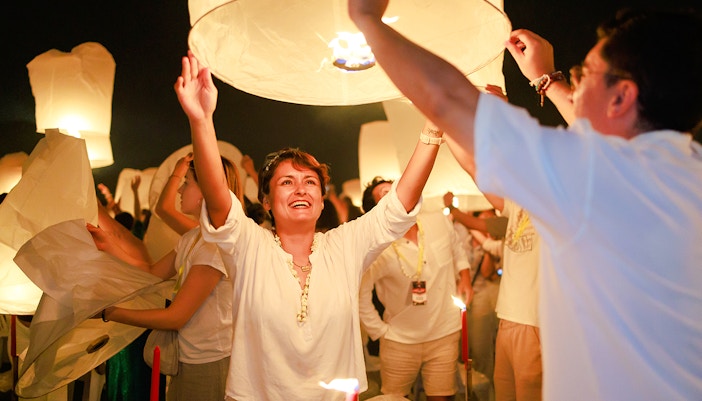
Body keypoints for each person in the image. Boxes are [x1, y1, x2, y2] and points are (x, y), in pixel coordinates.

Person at [348, 3, 702, 400]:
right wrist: (547, 79)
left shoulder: (591, 179)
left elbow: (448, 99)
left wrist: (367, 20)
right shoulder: (685, 175)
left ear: (621, 97)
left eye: (585, 75)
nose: (578, 86)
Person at [174, 51, 441, 400]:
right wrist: (201, 121)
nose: (300, 188)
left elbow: (400, 204)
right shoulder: (250, 246)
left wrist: (434, 126)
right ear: (267, 202)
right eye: (286, 182)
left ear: (321, 199)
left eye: (310, 182)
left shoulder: (344, 246)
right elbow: (219, 198)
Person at [88, 156, 242, 401]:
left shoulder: (215, 248)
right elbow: (151, 272)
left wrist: (110, 313)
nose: (180, 189)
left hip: (209, 362)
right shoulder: (192, 238)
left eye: (187, 182)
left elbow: (175, 317)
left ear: (206, 192)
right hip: (186, 357)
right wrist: (110, 246)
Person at [359, 175, 473, 401]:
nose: (395, 195)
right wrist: (380, 331)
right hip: (399, 341)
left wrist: (465, 277)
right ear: (377, 210)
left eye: (396, 189)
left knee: (442, 397)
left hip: (444, 332)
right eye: (385, 194)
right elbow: (360, 295)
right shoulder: (377, 247)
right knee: (393, 398)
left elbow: (457, 249)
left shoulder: (437, 220)